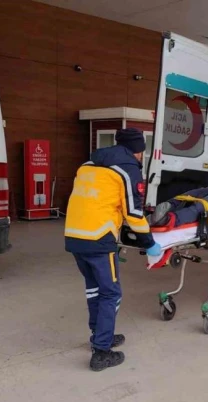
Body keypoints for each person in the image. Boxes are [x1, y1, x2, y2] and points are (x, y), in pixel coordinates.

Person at [64, 128, 162, 372]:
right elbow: (134, 214)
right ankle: (101, 352)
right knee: (111, 293)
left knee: (94, 288)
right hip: (99, 238)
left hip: (74, 235)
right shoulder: (127, 170)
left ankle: (99, 334)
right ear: (137, 151)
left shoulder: (87, 164)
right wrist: (149, 243)